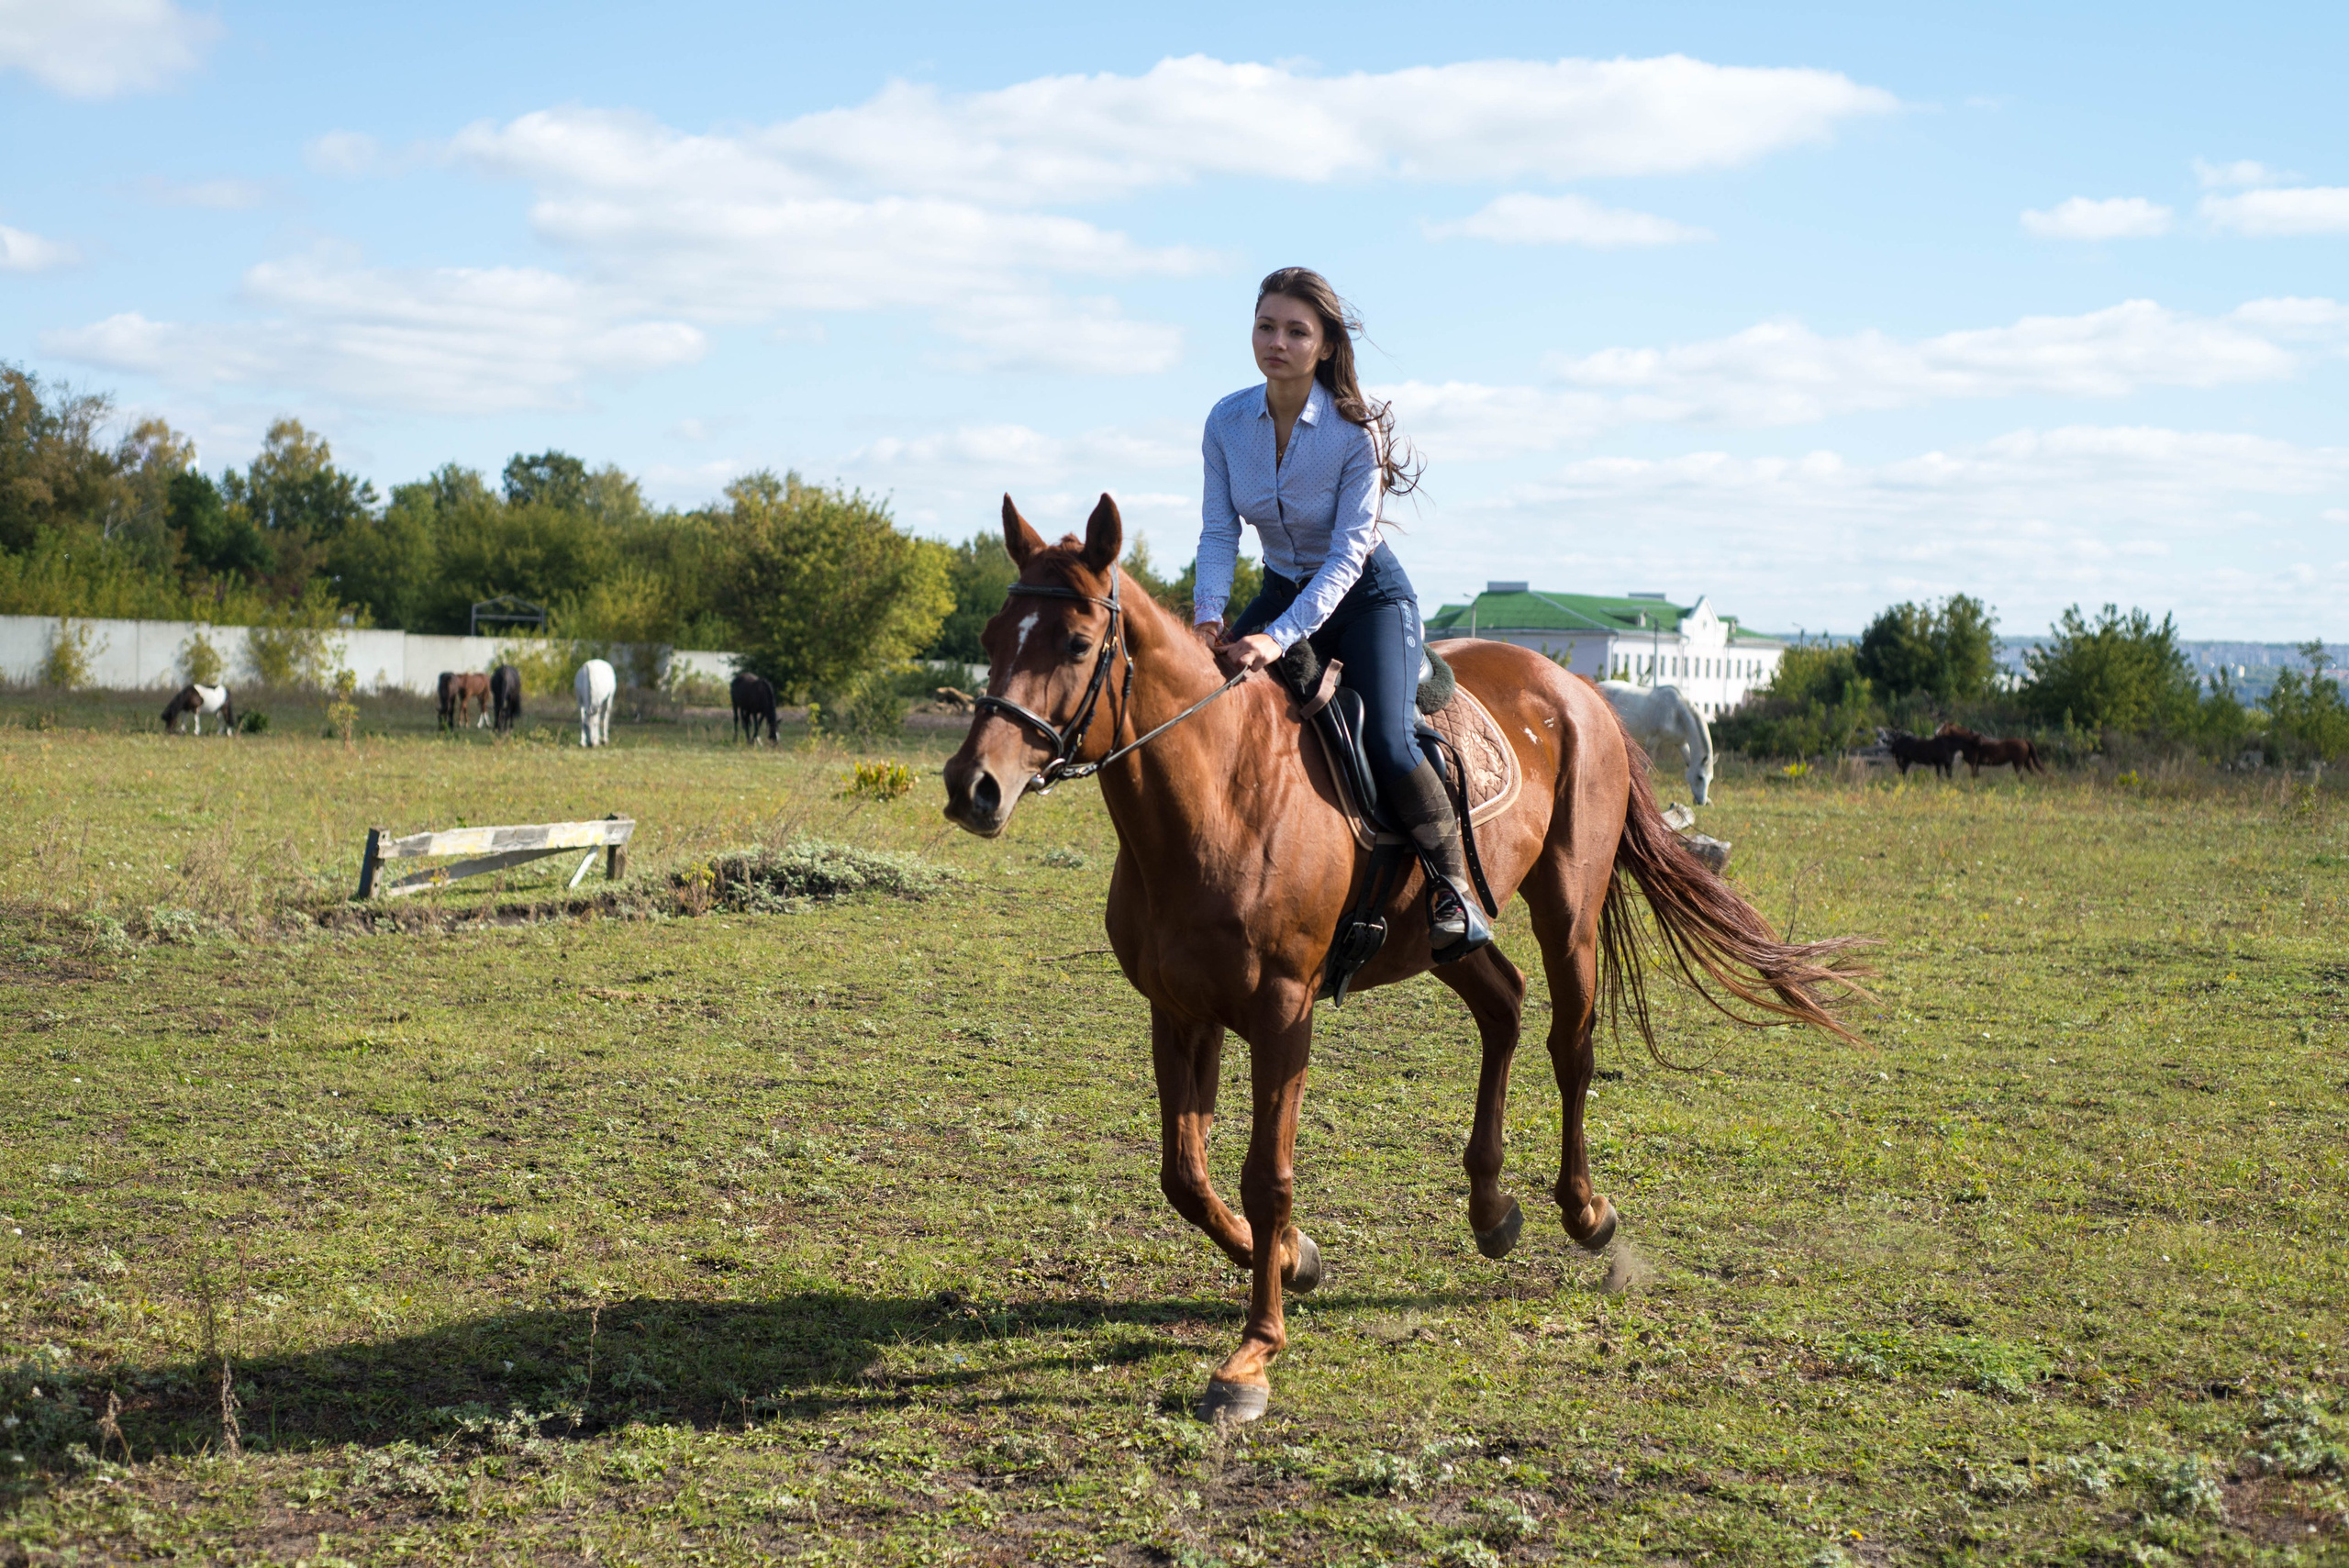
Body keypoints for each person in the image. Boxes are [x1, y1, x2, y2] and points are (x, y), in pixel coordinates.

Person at [1194, 266, 1490, 960]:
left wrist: (1278, 635)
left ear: (1326, 345)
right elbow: (1217, 532)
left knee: (1387, 738)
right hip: (1278, 583)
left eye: (1297, 331)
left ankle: (1452, 889)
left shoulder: (1354, 433)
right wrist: (1210, 614)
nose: (1278, 341)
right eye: (1266, 326)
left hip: (1366, 595)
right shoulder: (1225, 420)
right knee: (1211, 701)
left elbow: (1347, 555)